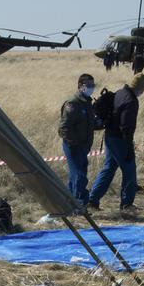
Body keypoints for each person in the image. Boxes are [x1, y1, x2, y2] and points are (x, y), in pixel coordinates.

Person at [89, 72, 144, 216]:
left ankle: (92, 200)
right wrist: (129, 146)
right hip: (120, 139)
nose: (143, 93)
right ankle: (127, 204)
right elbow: (127, 125)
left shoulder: (120, 93)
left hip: (109, 136)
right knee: (129, 170)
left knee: (108, 168)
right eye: (143, 90)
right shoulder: (131, 101)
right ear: (139, 88)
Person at [57, 73, 99, 210]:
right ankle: (79, 204)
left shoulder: (87, 103)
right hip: (74, 147)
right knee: (79, 176)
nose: (92, 88)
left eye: (93, 85)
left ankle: (68, 203)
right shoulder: (73, 103)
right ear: (80, 86)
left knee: (75, 176)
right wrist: (73, 144)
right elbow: (63, 128)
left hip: (83, 146)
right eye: (89, 85)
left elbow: (88, 123)